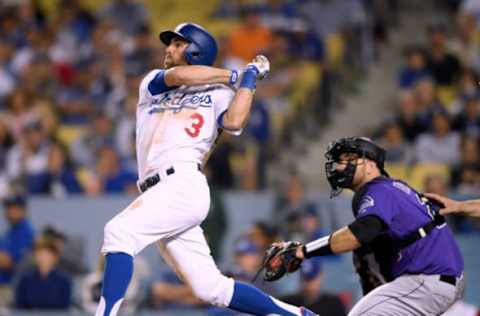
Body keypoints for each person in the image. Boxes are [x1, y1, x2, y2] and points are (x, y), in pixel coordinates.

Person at [94, 22, 316, 316]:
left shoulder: (219, 94)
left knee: (119, 232)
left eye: (177, 44)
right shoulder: (153, 82)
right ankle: (298, 315)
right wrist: (237, 73)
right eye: (169, 43)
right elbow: (180, 75)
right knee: (211, 288)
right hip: (158, 189)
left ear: (196, 51)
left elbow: (235, 122)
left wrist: (248, 82)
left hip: (182, 183)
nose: (168, 48)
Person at [267, 137, 465, 315]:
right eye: (340, 161)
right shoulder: (392, 189)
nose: (339, 166)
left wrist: (302, 250)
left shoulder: (378, 190)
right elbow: (367, 253)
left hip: (426, 280)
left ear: (371, 165)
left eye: (348, 159)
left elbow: (359, 233)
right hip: (433, 280)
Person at [15, 237, 72, 310]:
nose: (42, 257)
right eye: (39, 253)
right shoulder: (24, 280)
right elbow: (19, 309)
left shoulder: (64, 281)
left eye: (46, 253)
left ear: (55, 256)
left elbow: (65, 309)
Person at [281, 257, 347, 316]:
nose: (308, 285)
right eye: (306, 279)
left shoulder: (334, 304)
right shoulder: (287, 303)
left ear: (320, 276)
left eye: (312, 279)